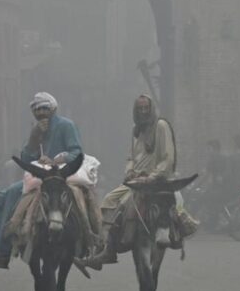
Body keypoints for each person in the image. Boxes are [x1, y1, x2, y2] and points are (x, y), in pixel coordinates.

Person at [0, 92, 82, 269]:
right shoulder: (36, 129)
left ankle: (89, 240)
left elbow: (76, 152)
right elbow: (26, 157)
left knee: (83, 200)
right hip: (39, 176)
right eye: (37, 110)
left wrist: (55, 160)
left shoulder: (66, 126)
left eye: (44, 108)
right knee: (2, 196)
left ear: (53, 108)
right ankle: (0, 247)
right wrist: (34, 137)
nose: (41, 113)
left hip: (61, 176)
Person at [75, 94, 175, 271]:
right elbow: (131, 157)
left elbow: (167, 158)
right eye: (140, 109)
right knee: (108, 201)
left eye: (146, 108)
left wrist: (151, 176)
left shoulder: (161, 126)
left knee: (162, 206)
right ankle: (106, 249)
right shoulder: (136, 130)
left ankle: (174, 233)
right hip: (136, 180)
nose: (143, 111)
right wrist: (129, 171)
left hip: (157, 181)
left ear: (151, 109)